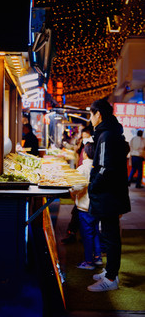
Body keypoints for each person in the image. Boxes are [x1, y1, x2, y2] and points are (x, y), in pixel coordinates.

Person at [87, 98, 131, 292]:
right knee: (109, 234)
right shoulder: (111, 132)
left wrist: (93, 186)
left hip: (109, 195)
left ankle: (111, 278)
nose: (90, 118)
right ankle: (110, 271)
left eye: (91, 113)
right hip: (113, 194)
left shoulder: (106, 135)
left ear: (99, 114)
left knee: (111, 236)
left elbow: (105, 168)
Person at [70, 142, 102, 270]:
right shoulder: (99, 167)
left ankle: (89, 262)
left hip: (84, 207)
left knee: (87, 235)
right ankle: (97, 257)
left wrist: (72, 191)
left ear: (85, 153)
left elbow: (77, 186)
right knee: (95, 232)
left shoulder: (83, 169)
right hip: (97, 206)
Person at [61, 125, 93, 245]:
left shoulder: (86, 167)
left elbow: (80, 185)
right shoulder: (87, 163)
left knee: (82, 219)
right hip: (89, 200)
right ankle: (96, 254)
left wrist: (71, 190)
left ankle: (76, 236)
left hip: (86, 202)